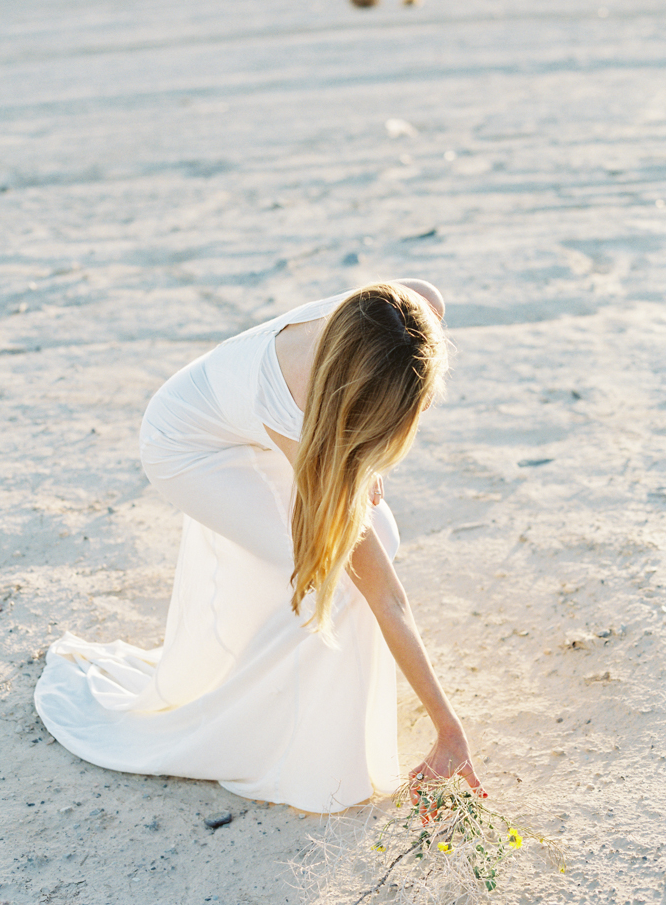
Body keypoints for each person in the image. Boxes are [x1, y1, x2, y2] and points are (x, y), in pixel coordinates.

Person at [34, 279, 483, 813]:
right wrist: (448, 729)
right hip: (188, 447)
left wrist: (358, 462)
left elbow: (424, 295)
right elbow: (386, 596)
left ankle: (314, 688)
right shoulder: (296, 397)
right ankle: (270, 729)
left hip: (250, 420)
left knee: (377, 532)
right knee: (340, 583)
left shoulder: (405, 307)